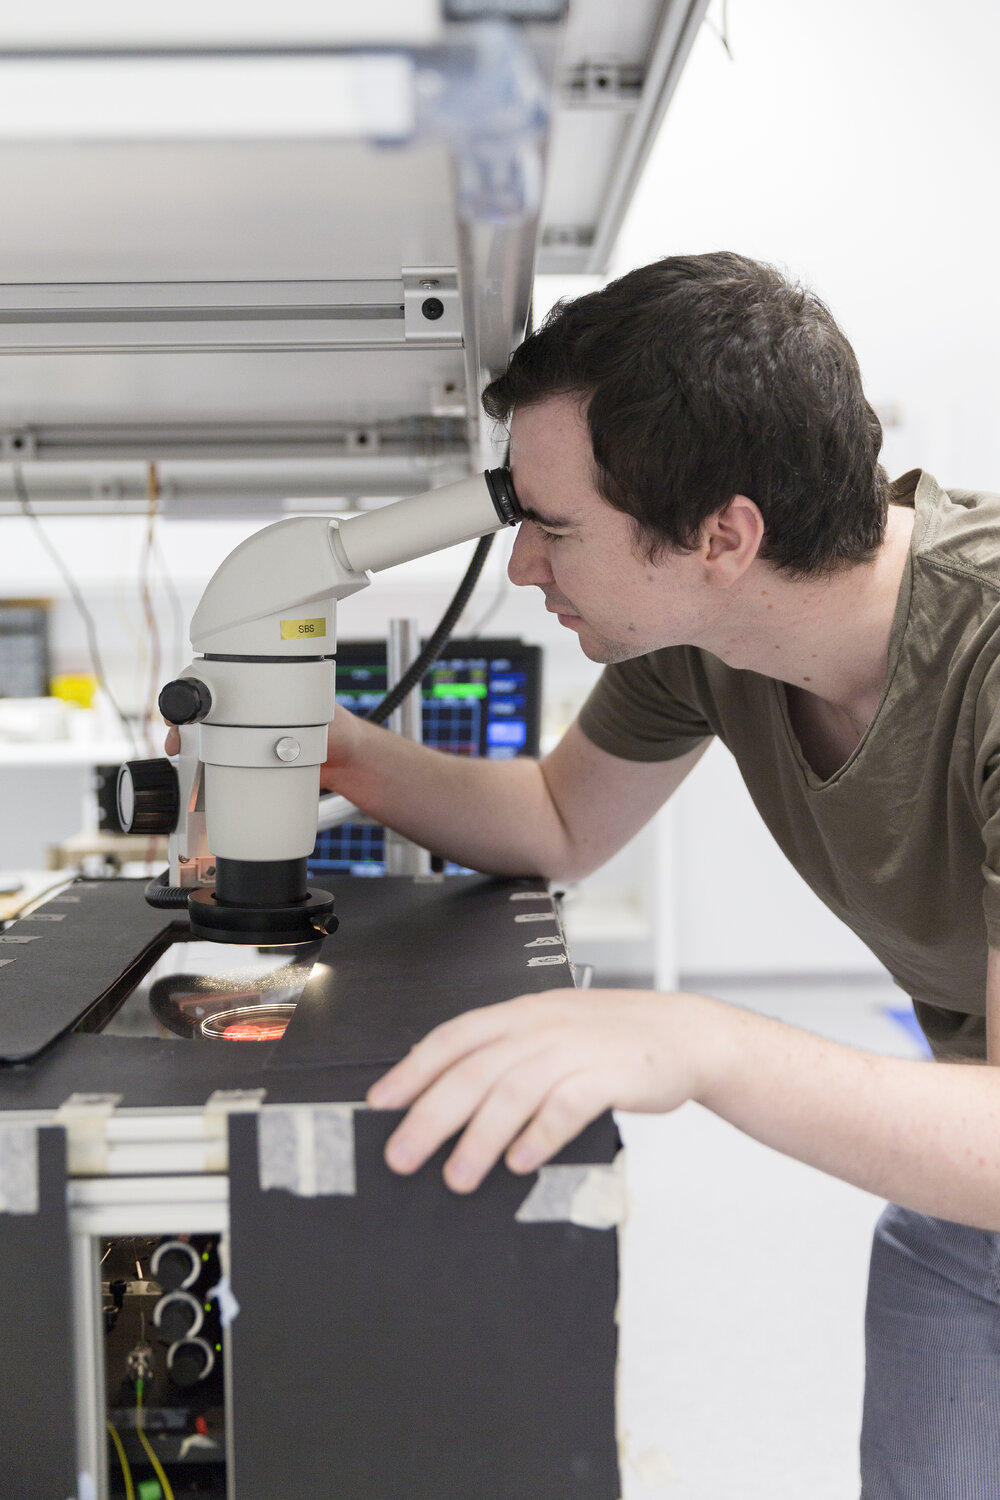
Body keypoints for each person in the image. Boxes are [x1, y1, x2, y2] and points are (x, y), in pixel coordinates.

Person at [317, 252, 1000, 1497]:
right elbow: (557, 819)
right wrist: (344, 756)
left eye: (554, 529)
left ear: (721, 535)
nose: (523, 567)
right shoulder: (710, 636)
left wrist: (696, 1043)